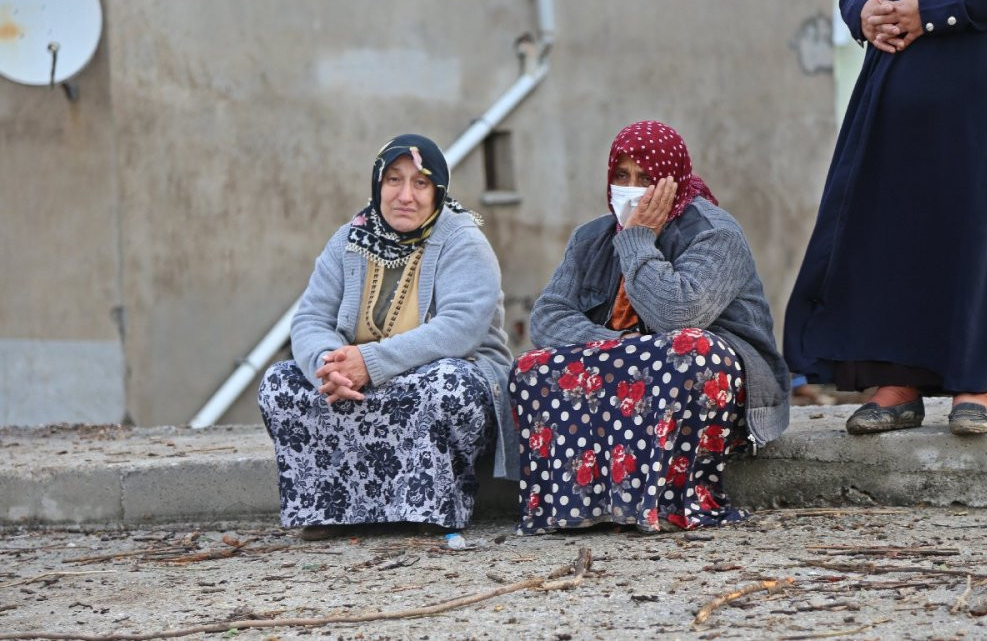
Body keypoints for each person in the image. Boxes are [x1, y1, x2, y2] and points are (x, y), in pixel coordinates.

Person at [510, 120, 790, 534]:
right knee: (530, 367)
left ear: (673, 181)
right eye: (622, 176)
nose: (631, 188)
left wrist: (638, 240)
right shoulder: (590, 238)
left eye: (646, 178)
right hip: (632, 369)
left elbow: (679, 316)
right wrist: (618, 345)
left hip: (711, 380)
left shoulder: (715, 234)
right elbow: (548, 316)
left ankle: (679, 503)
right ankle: (580, 507)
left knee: (689, 351)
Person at [258, 134, 514, 540]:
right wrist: (330, 366)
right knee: (279, 384)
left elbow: (461, 328)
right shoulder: (348, 240)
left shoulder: (462, 240)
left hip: (447, 374)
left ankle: (425, 508)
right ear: (378, 184)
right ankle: (331, 509)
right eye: (394, 180)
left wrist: (370, 364)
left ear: (438, 191)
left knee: (445, 383)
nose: (405, 195)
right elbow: (309, 318)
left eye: (420, 183)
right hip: (359, 380)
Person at [784, 0, 987, 436]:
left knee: (976, 227)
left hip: (984, 87)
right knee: (889, 228)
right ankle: (898, 381)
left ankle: (976, 384)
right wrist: (863, 11)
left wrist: (937, 6)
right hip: (893, 88)